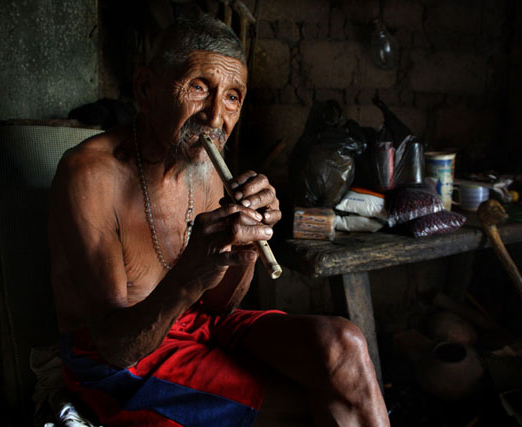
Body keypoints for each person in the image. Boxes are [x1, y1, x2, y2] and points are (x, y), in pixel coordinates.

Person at [49, 14, 390, 427]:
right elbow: (116, 347)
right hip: (117, 363)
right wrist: (191, 273)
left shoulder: (205, 166)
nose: (215, 118)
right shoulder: (89, 175)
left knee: (344, 346)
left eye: (232, 97)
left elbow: (219, 306)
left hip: (197, 327)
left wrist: (244, 247)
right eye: (198, 87)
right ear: (145, 89)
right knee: (325, 399)